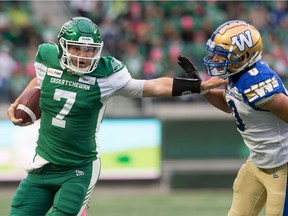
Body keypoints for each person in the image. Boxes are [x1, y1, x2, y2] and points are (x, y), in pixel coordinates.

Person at [7, 16, 226, 216]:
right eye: (77, 48)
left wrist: (199, 86)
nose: (83, 55)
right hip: (43, 164)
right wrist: (18, 103)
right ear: (63, 47)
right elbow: (40, 80)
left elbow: (152, 87)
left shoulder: (106, 74)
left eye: (89, 50)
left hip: (78, 169)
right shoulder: (47, 57)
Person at [178, 20, 288, 216]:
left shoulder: (256, 81)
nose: (216, 59)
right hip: (258, 163)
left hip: (282, 167)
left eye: (222, 55)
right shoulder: (238, 74)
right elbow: (229, 103)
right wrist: (201, 88)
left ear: (244, 56)